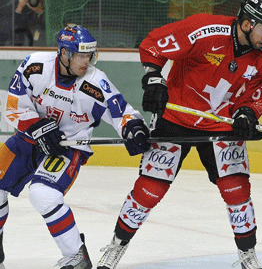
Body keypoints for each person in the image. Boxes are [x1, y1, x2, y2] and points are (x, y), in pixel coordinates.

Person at [96, 0, 262, 268]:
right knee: (149, 189)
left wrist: (247, 114)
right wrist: (154, 78)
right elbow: (153, 43)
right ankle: (115, 248)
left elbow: (255, 97)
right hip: (176, 116)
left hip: (221, 125)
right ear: (247, 23)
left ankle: (247, 257)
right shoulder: (204, 29)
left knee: (237, 191)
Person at [0, 25, 150, 268]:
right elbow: (13, 106)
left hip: (68, 145)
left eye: (90, 55)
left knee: (44, 194)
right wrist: (38, 126)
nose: (87, 61)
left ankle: (75, 257)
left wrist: (133, 128)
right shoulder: (35, 66)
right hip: (29, 139)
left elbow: (121, 111)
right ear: (64, 54)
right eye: (81, 55)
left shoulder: (95, 80)